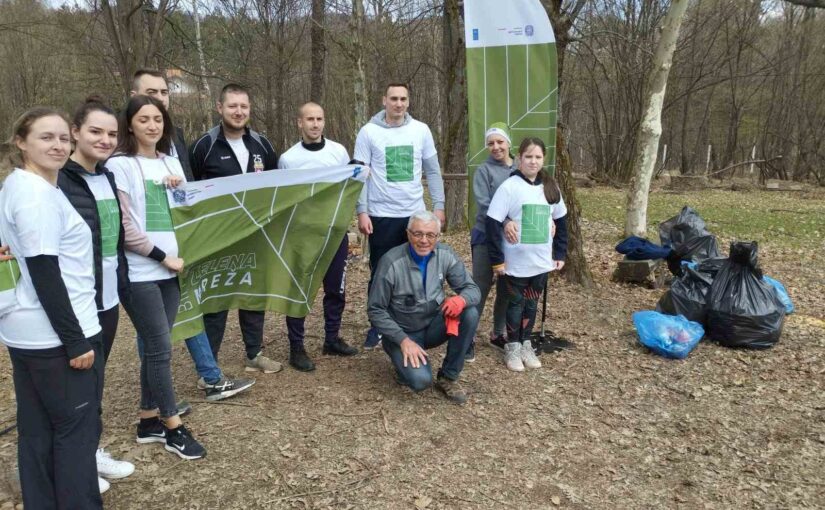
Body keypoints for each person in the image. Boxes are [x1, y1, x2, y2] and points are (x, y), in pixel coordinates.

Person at [0, 108, 104, 507]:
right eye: (46, 137)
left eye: (63, 138)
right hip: (55, 337)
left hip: (25, 333)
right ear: (21, 141)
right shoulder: (37, 195)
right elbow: (46, 271)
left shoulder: (17, 184)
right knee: (76, 435)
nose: (58, 145)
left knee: (37, 432)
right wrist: (75, 341)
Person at [131, 69, 254, 402]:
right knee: (153, 327)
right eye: (150, 93)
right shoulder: (122, 154)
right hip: (144, 255)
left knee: (187, 307)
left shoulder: (175, 137)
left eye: (163, 93)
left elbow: (189, 188)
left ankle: (210, 378)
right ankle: (156, 395)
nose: (158, 99)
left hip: (180, 240)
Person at [107, 95, 206, 459]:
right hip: (141, 273)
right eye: (144, 119)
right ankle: (172, 427)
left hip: (172, 269)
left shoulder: (170, 160)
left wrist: (181, 189)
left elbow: (187, 210)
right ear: (130, 124)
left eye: (158, 119)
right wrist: (163, 257)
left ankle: (147, 419)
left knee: (154, 347)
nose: (152, 125)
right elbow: (125, 227)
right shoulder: (119, 165)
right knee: (161, 349)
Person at [57, 97, 135, 486]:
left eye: (111, 134)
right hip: (75, 303)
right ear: (75, 132)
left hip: (107, 299)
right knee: (77, 389)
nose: (105, 140)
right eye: (95, 132)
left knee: (96, 382)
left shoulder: (107, 177)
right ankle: (75, 466)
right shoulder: (57, 180)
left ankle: (90, 452)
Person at [190, 83, 281, 373]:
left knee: (253, 293)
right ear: (220, 108)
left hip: (254, 235)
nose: (238, 112)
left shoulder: (262, 145)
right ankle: (210, 362)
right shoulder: (203, 146)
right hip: (215, 238)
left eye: (243, 106)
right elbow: (189, 193)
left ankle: (254, 353)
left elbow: (277, 187)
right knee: (215, 299)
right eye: (232, 106)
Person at [354, 82, 446, 350]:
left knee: (417, 271)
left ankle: (415, 320)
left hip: (415, 216)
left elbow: (433, 170)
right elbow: (360, 174)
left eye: (403, 98)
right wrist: (362, 210)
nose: (398, 103)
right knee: (381, 272)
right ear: (384, 100)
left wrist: (438, 205)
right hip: (382, 215)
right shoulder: (368, 132)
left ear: (409, 101)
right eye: (393, 98)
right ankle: (377, 326)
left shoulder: (421, 131)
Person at [277, 102, 359, 371]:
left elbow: (349, 187)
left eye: (319, 119)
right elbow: (284, 199)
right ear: (299, 123)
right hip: (302, 235)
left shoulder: (338, 151)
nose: (315, 124)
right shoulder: (289, 158)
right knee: (299, 289)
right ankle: (296, 346)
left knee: (336, 289)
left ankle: (331, 338)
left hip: (334, 232)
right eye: (309, 119)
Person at [367, 211, 480, 404]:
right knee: (420, 382)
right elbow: (375, 309)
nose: (424, 240)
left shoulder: (445, 255)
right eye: (417, 234)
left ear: (438, 236)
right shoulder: (391, 262)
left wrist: (460, 300)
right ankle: (400, 361)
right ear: (408, 233)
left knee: (469, 312)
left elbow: (472, 290)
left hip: (433, 326)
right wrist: (403, 340)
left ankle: (448, 377)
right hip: (402, 333)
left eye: (430, 235)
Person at [486, 137, 568, 372]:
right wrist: (497, 261)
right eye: (528, 157)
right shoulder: (509, 187)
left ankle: (526, 344)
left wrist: (560, 252)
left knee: (531, 304)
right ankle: (512, 347)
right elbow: (493, 223)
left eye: (538, 157)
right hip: (515, 263)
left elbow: (561, 221)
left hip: (540, 262)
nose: (533, 162)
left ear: (544, 159)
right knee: (515, 304)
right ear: (519, 158)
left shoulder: (551, 187)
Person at [470, 122, 516, 359]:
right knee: (480, 286)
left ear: (509, 142)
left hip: (515, 240)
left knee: (507, 288)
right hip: (487, 237)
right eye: (491, 143)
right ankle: (466, 336)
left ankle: (499, 333)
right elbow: (486, 204)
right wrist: (506, 220)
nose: (496, 147)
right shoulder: (484, 171)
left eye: (500, 142)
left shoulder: (521, 167)